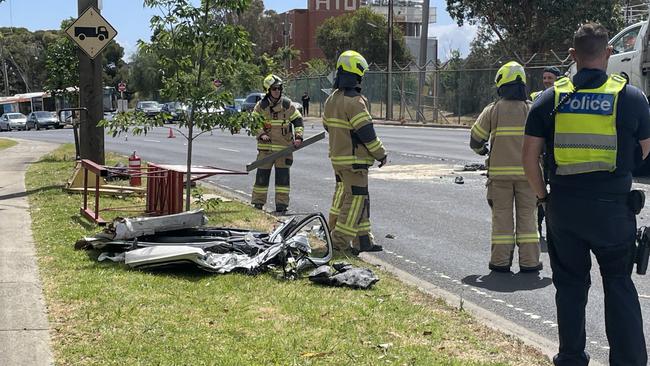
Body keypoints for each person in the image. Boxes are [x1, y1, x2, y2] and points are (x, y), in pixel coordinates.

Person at [523, 22, 649, 366]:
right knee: (619, 283)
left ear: (572, 55)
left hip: (564, 207)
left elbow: (529, 158)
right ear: (608, 53)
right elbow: (646, 150)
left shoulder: (548, 99)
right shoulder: (631, 98)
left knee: (571, 286)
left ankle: (571, 357)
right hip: (613, 210)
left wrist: (544, 199)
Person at [469, 61, 542, 273]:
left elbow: (475, 140)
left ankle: (500, 262)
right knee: (528, 219)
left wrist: (483, 152)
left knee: (502, 220)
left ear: (501, 84)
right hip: (529, 177)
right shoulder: (532, 109)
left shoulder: (493, 110)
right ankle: (530, 262)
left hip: (499, 179)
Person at [323, 50, 387, 254]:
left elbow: (327, 126)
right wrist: (381, 154)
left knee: (355, 198)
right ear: (356, 73)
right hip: (355, 162)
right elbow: (367, 133)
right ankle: (339, 243)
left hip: (339, 159)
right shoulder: (355, 101)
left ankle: (363, 241)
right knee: (355, 201)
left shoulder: (332, 99)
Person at [251, 74, 304, 214]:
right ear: (268, 90)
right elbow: (253, 123)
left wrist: (299, 136)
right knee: (261, 179)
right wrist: (261, 134)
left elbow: (298, 121)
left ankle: (281, 205)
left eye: (279, 88)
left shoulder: (287, 105)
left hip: (283, 151)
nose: (277, 91)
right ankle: (258, 203)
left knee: (283, 181)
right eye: (274, 88)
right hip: (265, 151)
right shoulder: (261, 107)